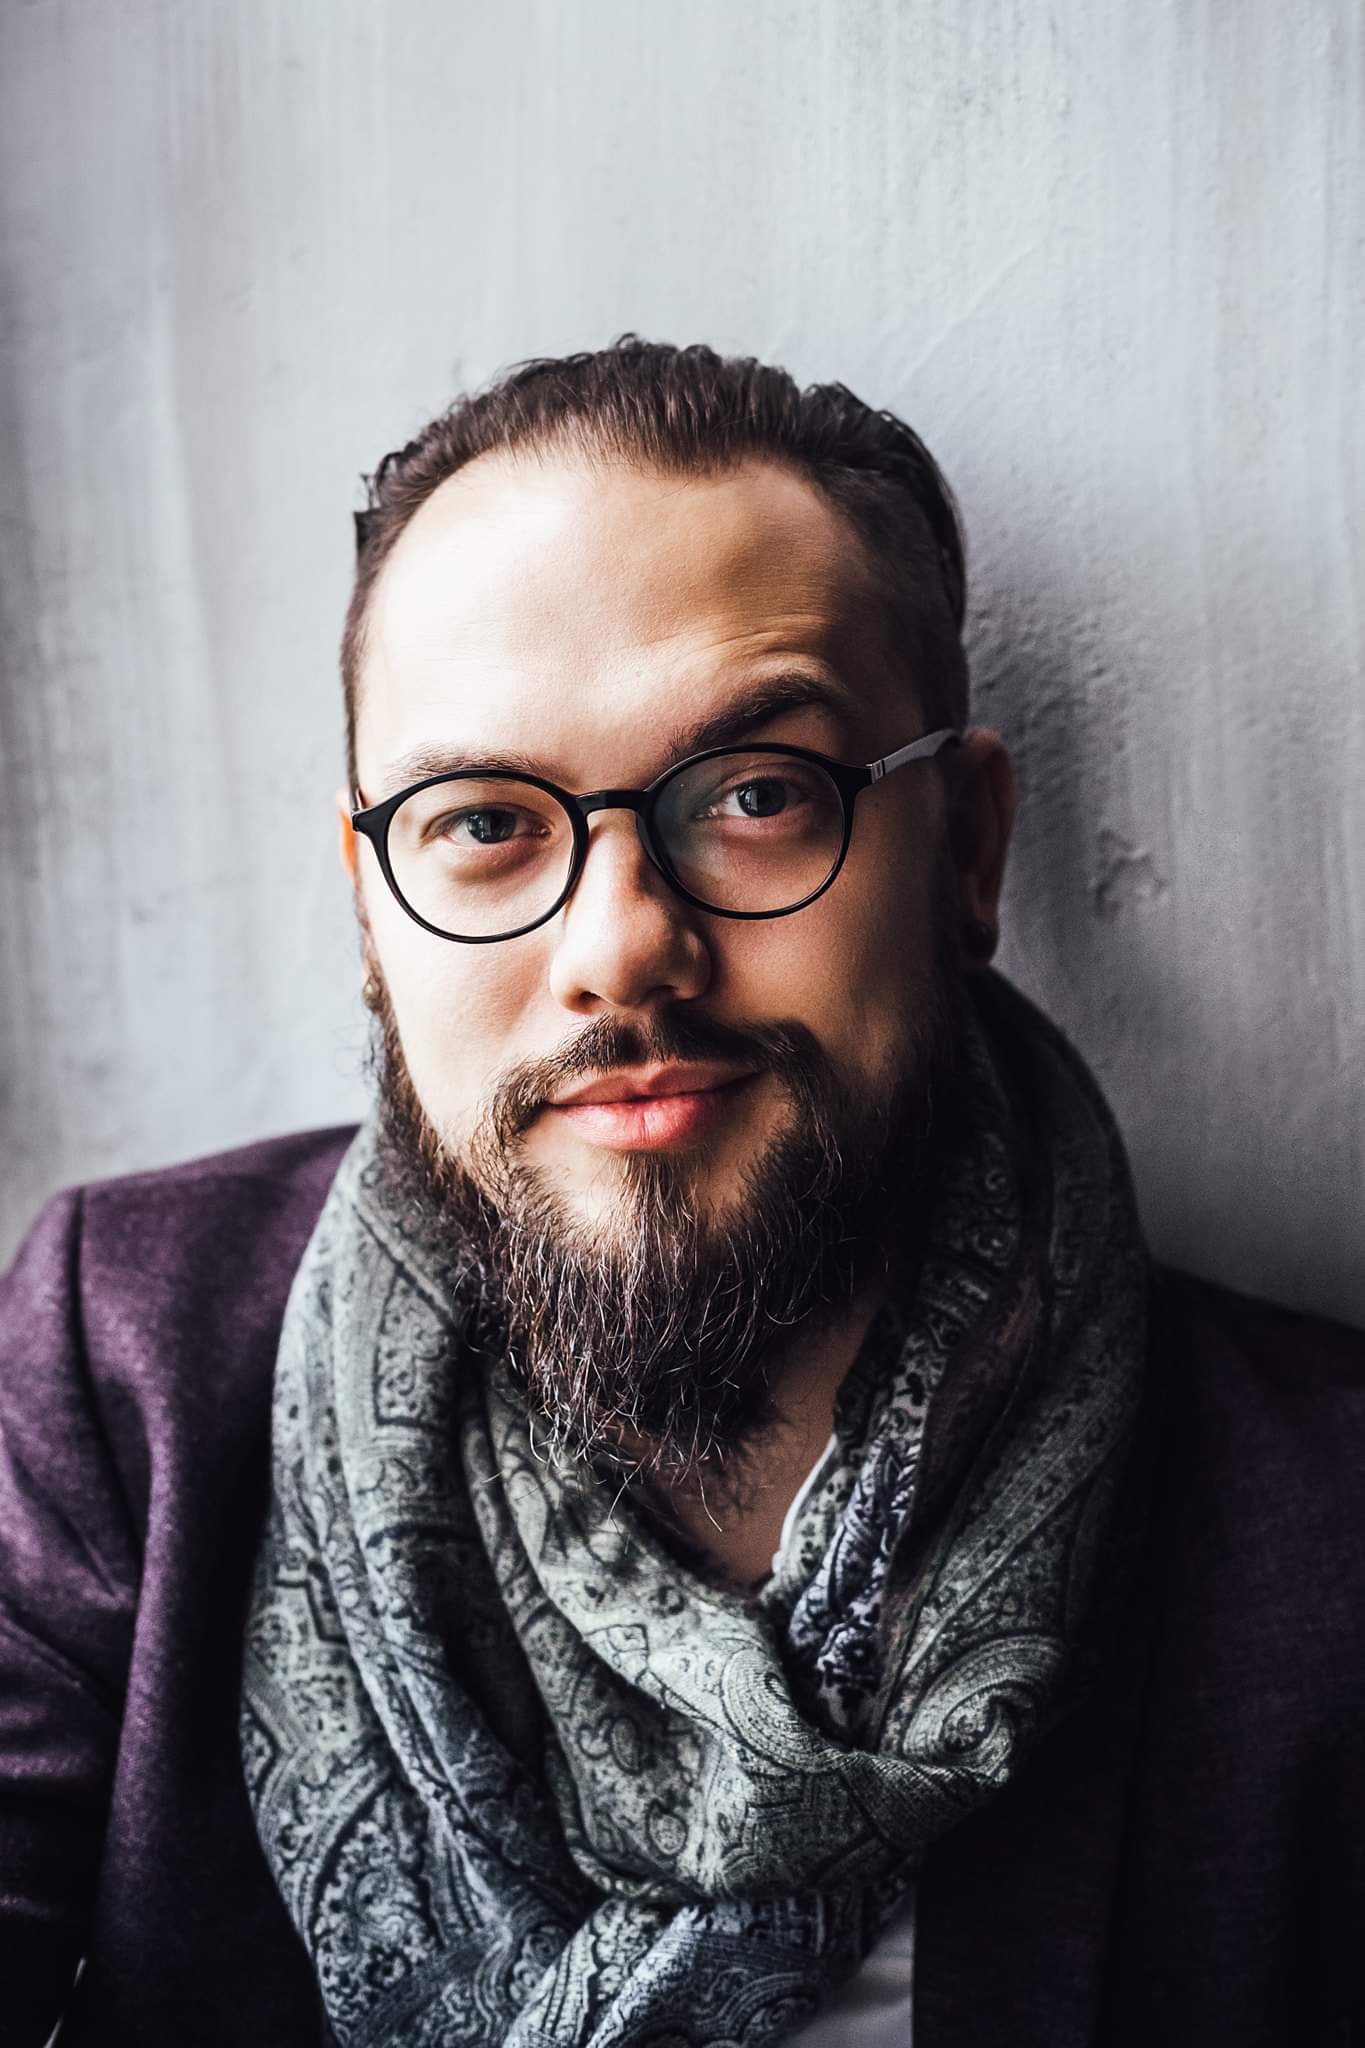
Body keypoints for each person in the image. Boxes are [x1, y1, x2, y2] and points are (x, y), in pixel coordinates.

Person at [1, 339, 1361, 2048]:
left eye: (758, 797)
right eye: (482, 822)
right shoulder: (122, 1371)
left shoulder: (1325, 1533)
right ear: (370, 911)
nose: (621, 945)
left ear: (965, 848)